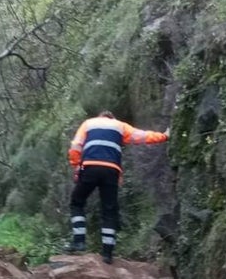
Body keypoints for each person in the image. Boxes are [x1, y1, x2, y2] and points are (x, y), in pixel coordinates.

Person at [66, 111, 169, 263]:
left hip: (90, 168)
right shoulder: (120, 126)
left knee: (77, 202)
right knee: (109, 210)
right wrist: (164, 136)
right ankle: (107, 254)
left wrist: (76, 165)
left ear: (100, 116)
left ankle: (79, 241)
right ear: (112, 118)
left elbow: (76, 146)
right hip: (111, 171)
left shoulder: (88, 123)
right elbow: (142, 136)